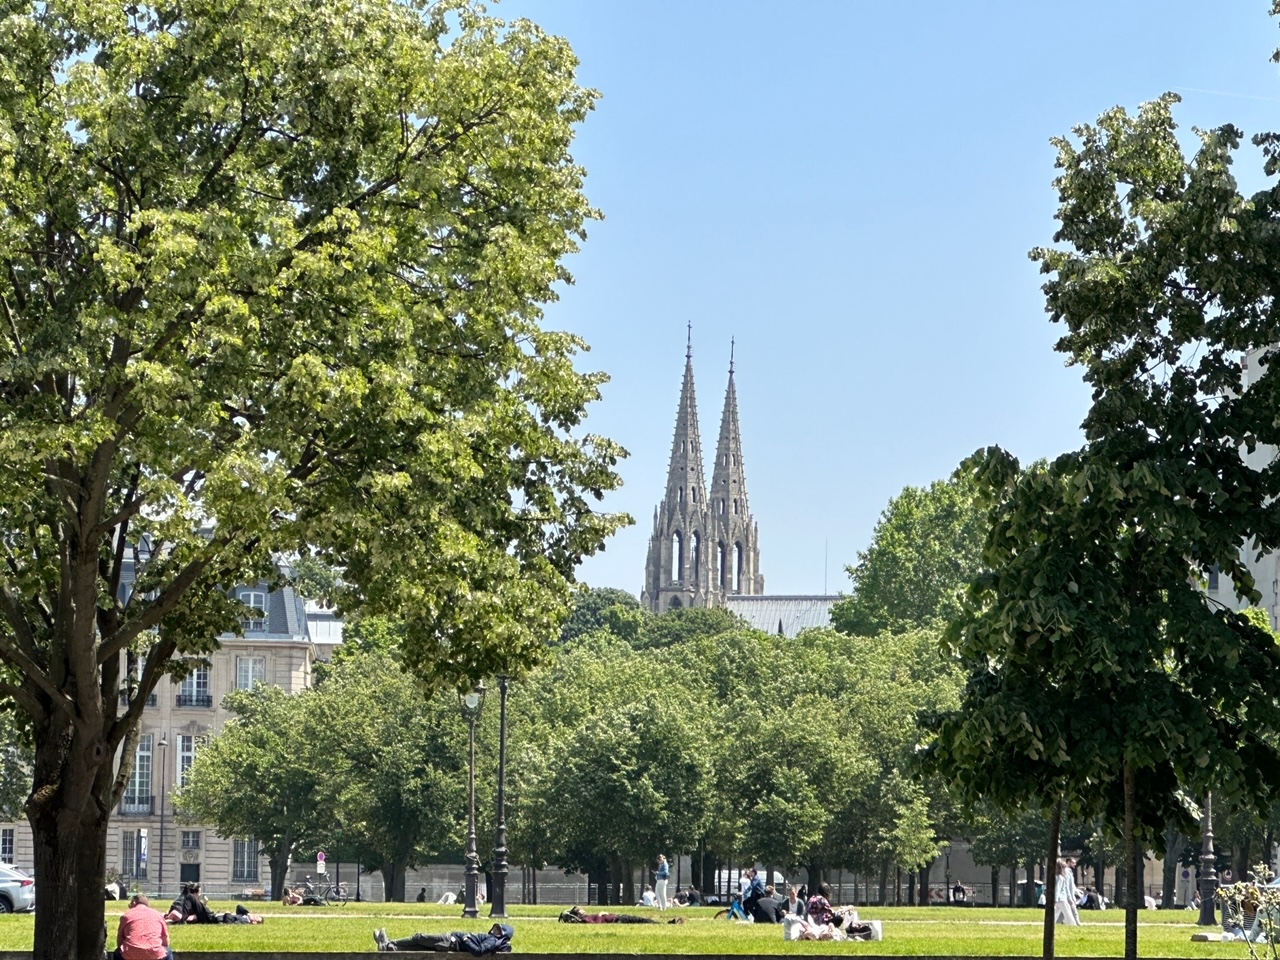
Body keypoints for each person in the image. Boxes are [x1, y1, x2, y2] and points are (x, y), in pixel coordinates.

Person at [375, 923, 514, 953]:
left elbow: (478, 951)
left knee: (419, 937)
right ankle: (388, 947)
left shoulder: (493, 940)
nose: (494, 929)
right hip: (451, 942)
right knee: (421, 946)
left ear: (503, 934)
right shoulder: (493, 939)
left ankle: (388, 942)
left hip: (451, 941)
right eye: (495, 928)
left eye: (498, 930)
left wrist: (466, 939)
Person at [113, 893, 172, 960]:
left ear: (134, 902)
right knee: (168, 952)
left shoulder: (126, 916)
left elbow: (120, 938)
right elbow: (165, 939)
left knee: (117, 953)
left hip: (131, 954)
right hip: (154, 953)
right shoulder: (158, 915)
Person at [559, 906, 686, 925]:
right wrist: (600, 914)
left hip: (617, 917)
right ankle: (667, 925)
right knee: (641, 921)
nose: (583, 910)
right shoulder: (585, 920)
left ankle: (666, 924)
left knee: (642, 920)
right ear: (578, 914)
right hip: (617, 919)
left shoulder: (586, 917)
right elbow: (596, 923)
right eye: (580, 910)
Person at [1053, 858, 1079, 926]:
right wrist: (1055, 899)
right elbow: (1058, 889)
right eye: (1064, 868)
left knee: (1056, 913)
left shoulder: (1057, 877)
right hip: (1062, 899)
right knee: (1068, 914)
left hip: (1059, 899)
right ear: (1061, 869)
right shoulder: (1060, 878)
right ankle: (1072, 925)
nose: (1066, 870)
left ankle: (1051, 924)